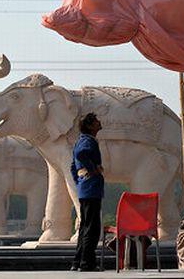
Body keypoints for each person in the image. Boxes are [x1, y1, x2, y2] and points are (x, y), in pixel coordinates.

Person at [70, 113, 104, 272]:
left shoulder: (81, 140)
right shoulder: (87, 141)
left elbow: (72, 167)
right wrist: (93, 170)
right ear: (90, 125)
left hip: (85, 188)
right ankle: (87, 262)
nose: (99, 123)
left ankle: (78, 261)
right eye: (96, 121)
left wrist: (79, 181)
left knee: (85, 226)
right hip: (91, 187)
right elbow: (81, 154)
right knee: (92, 227)